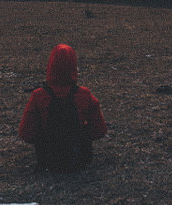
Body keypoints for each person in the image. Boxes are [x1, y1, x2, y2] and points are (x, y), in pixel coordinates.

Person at [19, 43, 107, 172]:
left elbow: (25, 133)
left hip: (47, 159)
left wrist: (43, 141)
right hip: (79, 159)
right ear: (74, 68)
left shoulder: (39, 96)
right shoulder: (84, 95)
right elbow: (100, 130)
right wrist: (82, 138)